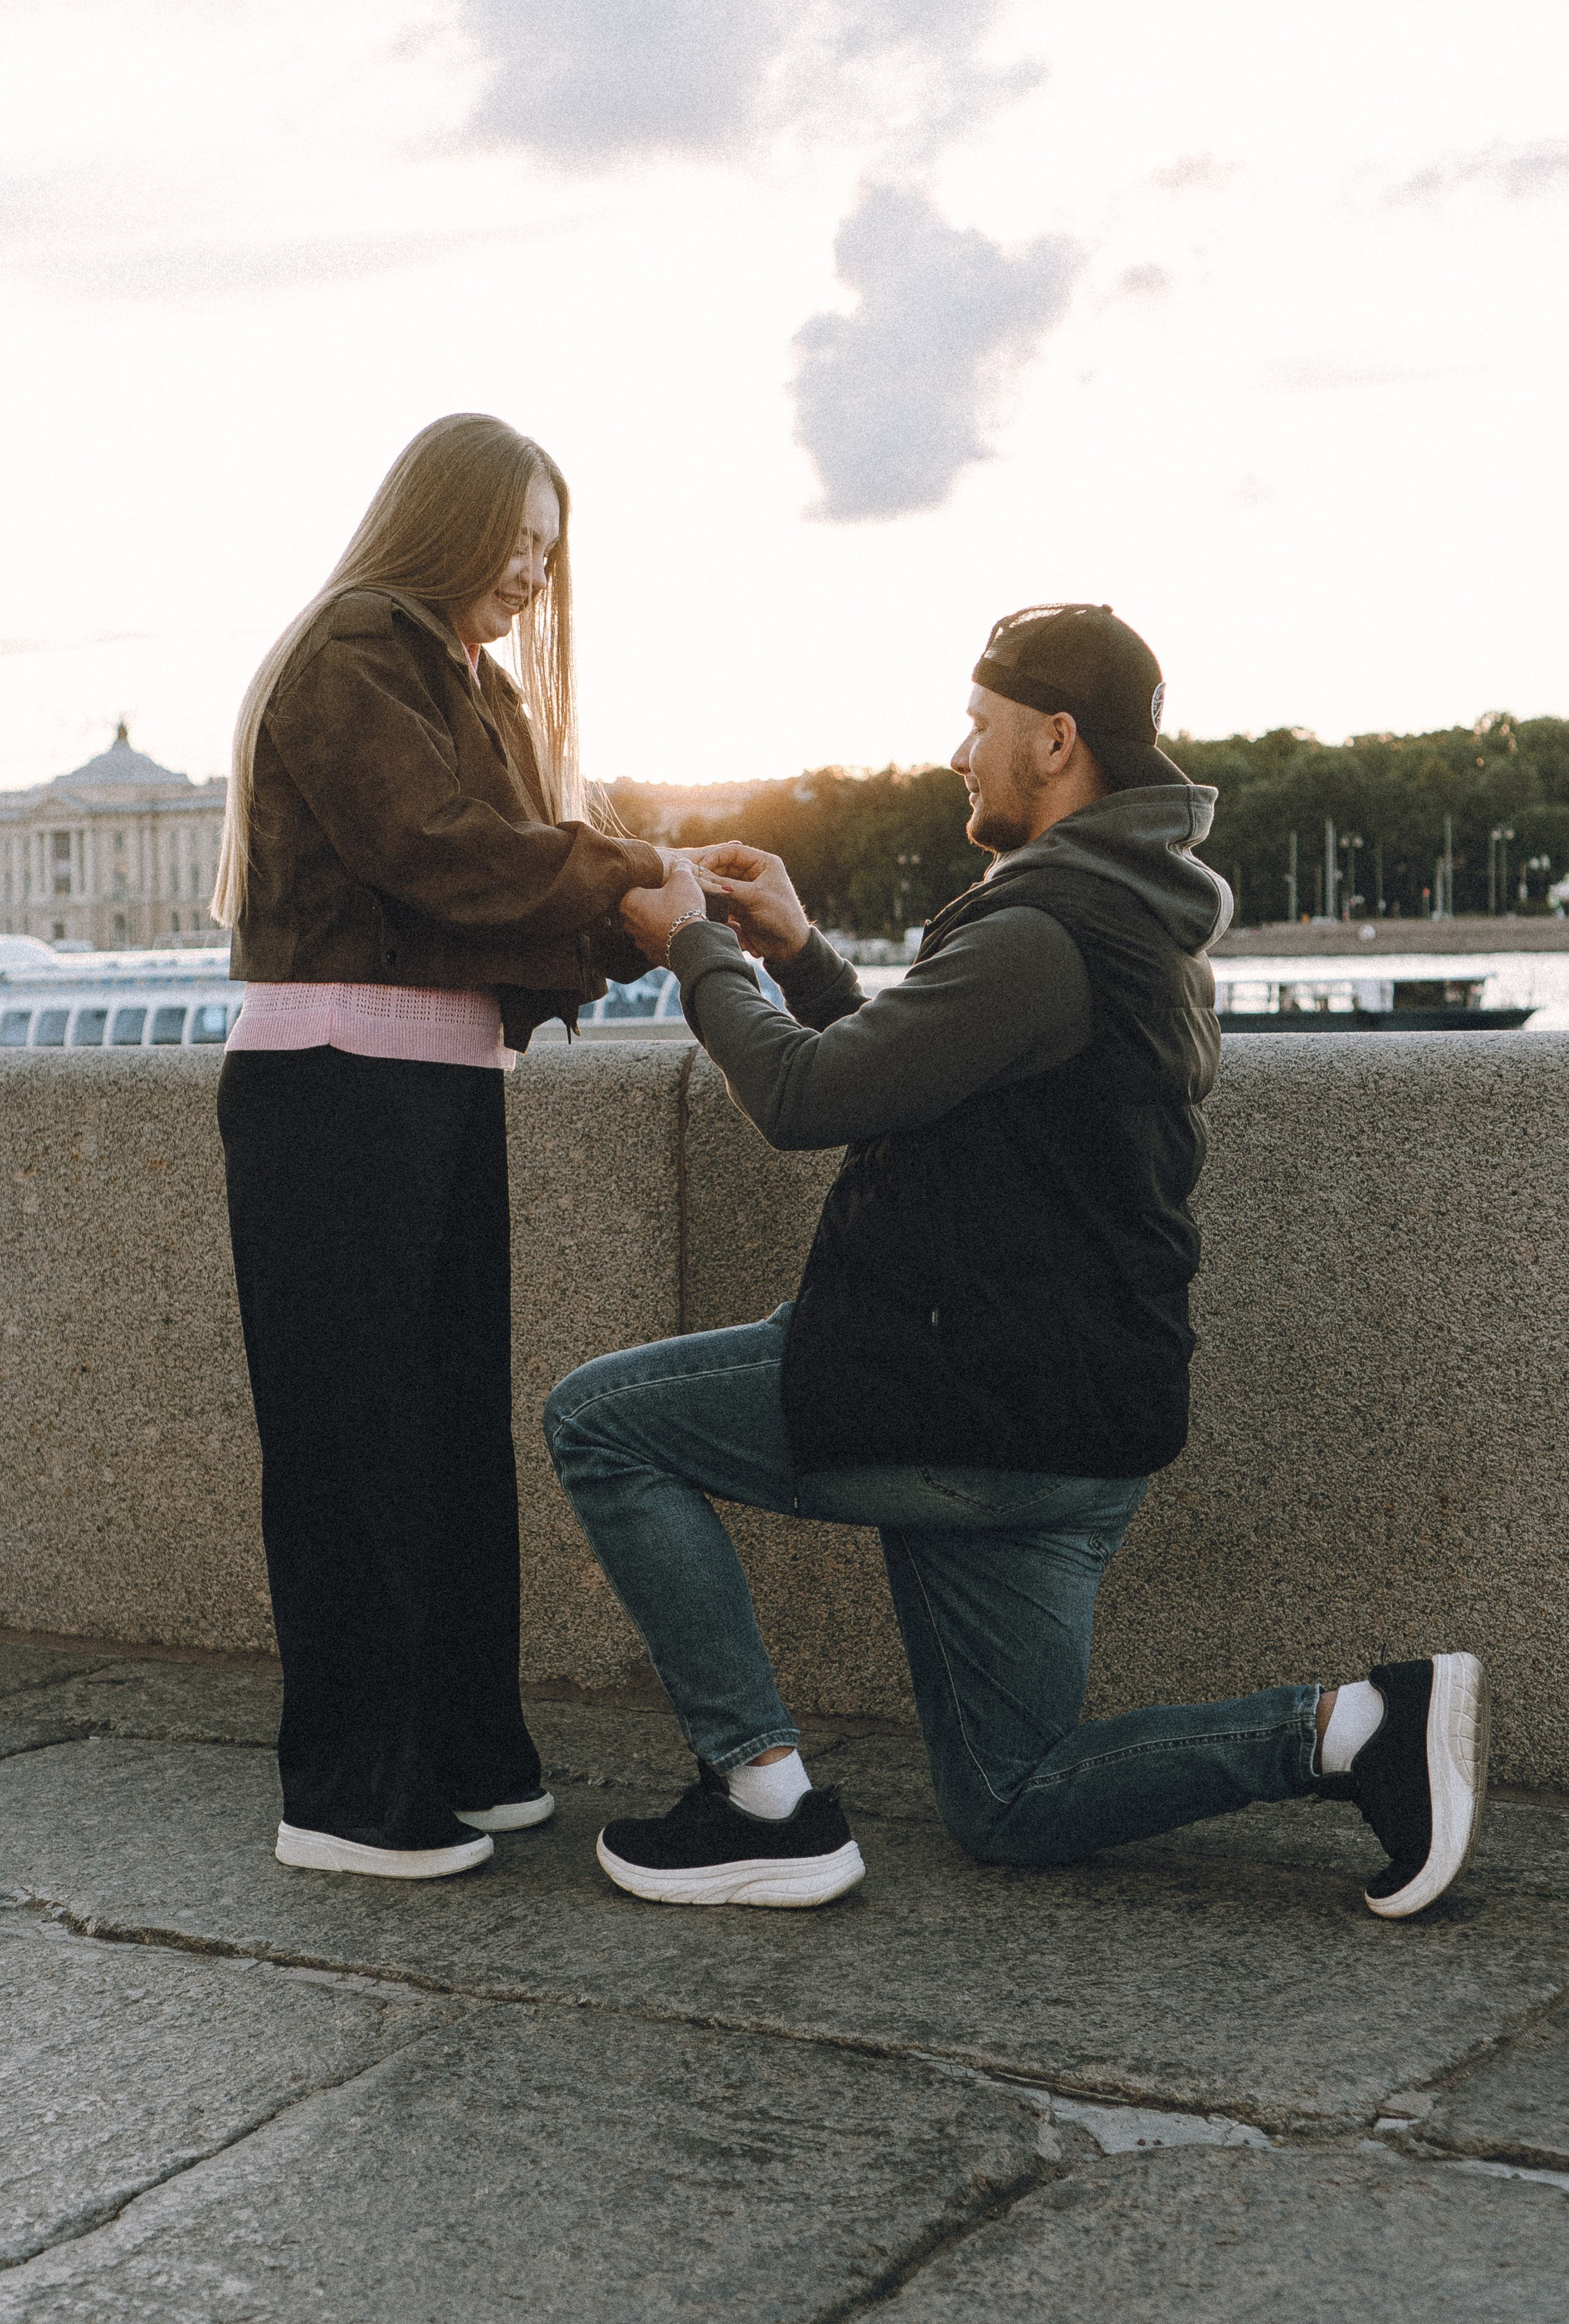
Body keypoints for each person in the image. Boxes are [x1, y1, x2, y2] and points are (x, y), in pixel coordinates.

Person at [544, 604, 1490, 1917]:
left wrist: (693, 946)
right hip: (1072, 1420)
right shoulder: (1117, 917)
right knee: (1010, 1798)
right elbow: (934, 1078)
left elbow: (804, 1102)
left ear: (1051, 740)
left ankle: (759, 1801)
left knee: (600, 1422)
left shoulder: (1042, 930)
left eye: (977, 727)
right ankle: (1347, 1729)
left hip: (970, 1398)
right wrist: (803, 956)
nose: (955, 754)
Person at [213, 413, 669, 1881]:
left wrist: (645, 901)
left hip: (431, 1085)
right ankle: (346, 1796)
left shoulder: (459, 677)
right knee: (358, 1450)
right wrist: (631, 880)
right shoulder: (354, 647)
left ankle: (467, 1749)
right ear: (445, 524)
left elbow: (498, 906)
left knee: (450, 1440)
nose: (533, 573)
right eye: (514, 542)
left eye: (550, 549)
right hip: (334, 1088)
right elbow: (441, 855)